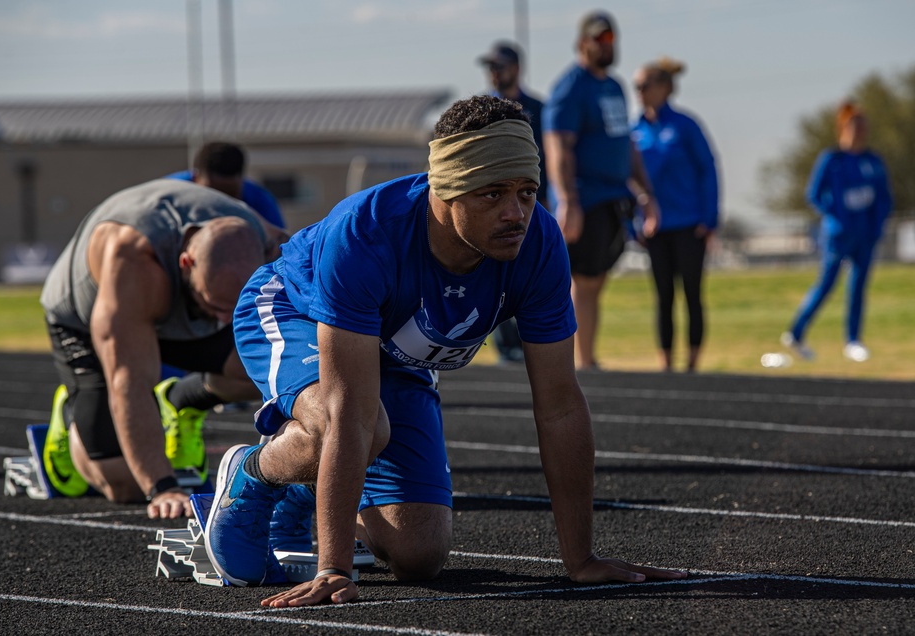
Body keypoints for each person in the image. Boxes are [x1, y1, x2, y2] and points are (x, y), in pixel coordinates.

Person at [204, 95, 686, 604]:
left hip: (396, 349)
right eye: (492, 194)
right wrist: (334, 567)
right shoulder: (364, 233)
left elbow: (561, 405)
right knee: (351, 426)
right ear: (446, 188)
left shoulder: (539, 244)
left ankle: (306, 490)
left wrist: (581, 559)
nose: (515, 213)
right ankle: (252, 474)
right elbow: (351, 411)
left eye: (526, 192)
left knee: (419, 555)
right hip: (296, 312)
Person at [39, 178, 289, 519]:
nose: (224, 320)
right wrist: (162, 486)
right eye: (215, 305)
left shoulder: (263, 237)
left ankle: (180, 400)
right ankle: (73, 417)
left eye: (231, 308)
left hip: (177, 308)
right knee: (124, 483)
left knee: (275, 370)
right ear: (186, 263)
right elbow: (128, 383)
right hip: (86, 321)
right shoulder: (134, 264)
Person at [543, 11, 659, 371]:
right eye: (599, 40)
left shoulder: (614, 86)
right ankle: (577, 361)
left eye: (611, 39)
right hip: (585, 198)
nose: (607, 46)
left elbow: (628, 146)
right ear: (582, 44)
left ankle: (588, 357)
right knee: (582, 279)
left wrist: (646, 194)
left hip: (614, 199)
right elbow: (558, 147)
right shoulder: (571, 88)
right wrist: (569, 201)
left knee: (596, 281)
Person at [781, 101, 893, 362]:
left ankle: (853, 340)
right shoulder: (832, 159)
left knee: (858, 286)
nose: (858, 132)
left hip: (865, 234)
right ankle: (796, 331)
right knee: (827, 283)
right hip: (838, 234)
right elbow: (814, 194)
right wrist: (837, 215)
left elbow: (884, 198)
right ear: (843, 128)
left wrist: (876, 225)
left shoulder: (872, 161)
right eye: (853, 126)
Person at [630, 58, 720, 373]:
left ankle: (692, 364)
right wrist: (633, 224)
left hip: (688, 225)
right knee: (663, 296)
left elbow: (708, 170)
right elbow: (628, 180)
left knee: (692, 294)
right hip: (655, 229)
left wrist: (709, 219)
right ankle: (666, 364)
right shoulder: (635, 130)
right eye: (636, 87)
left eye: (645, 85)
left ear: (664, 87)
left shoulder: (686, 125)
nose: (639, 92)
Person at [477, 40, 548, 363]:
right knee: (494, 276)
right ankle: (506, 351)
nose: (494, 73)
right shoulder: (481, 110)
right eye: (490, 67)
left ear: (517, 68)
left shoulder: (539, 108)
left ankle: (535, 346)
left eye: (499, 66)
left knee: (533, 275)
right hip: (491, 211)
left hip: (534, 208)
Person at [167, 141, 286, 229]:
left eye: (230, 195)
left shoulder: (259, 201)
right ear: (195, 178)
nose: (222, 203)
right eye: (213, 195)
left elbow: (278, 245)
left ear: (241, 180)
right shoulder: (168, 195)